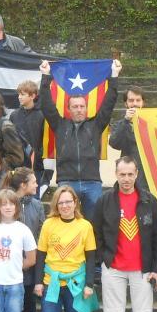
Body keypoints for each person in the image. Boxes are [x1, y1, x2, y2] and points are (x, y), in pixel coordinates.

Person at [93, 156, 157, 312]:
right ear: (115, 174)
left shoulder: (148, 201)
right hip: (113, 268)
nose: (126, 179)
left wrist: (156, 269)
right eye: (122, 174)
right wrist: (105, 258)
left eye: (130, 174)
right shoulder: (105, 201)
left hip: (142, 270)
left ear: (136, 174)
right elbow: (95, 233)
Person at [38, 59, 121, 220]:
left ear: (86, 108)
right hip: (67, 182)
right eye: (75, 106)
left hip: (92, 183)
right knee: (67, 222)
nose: (79, 109)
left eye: (82, 106)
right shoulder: (60, 125)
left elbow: (109, 103)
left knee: (94, 224)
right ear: (68, 109)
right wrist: (45, 76)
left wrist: (114, 75)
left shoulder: (96, 125)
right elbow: (46, 104)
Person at [33, 185, 96, 312]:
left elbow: (91, 257)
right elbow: (41, 255)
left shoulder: (85, 226)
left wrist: (89, 284)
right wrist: (37, 282)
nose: (65, 206)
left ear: (75, 202)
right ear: (56, 205)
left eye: (69, 201)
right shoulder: (49, 224)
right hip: (51, 283)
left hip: (75, 283)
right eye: (61, 203)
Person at [7, 168, 44, 312]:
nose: (37, 185)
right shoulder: (6, 202)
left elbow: (41, 234)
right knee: (11, 305)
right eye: (34, 182)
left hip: (30, 264)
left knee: (29, 304)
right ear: (23, 185)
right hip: (9, 265)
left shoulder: (37, 206)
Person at [107, 85, 149, 193]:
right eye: (131, 100)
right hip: (128, 176)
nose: (134, 103)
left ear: (143, 103)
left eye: (138, 100)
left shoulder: (152, 124)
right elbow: (114, 143)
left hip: (149, 176)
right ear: (126, 104)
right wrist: (126, 121)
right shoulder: (121, 124)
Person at [9, 79, 47, 192]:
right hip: (18, 165)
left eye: (23, 94)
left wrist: (38, 155)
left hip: (36, 165)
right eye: (19, 94)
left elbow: (45, 139)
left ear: (32, 96)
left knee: (34, 196)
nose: (19, 97)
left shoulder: (41, 115)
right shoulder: (14, 115)